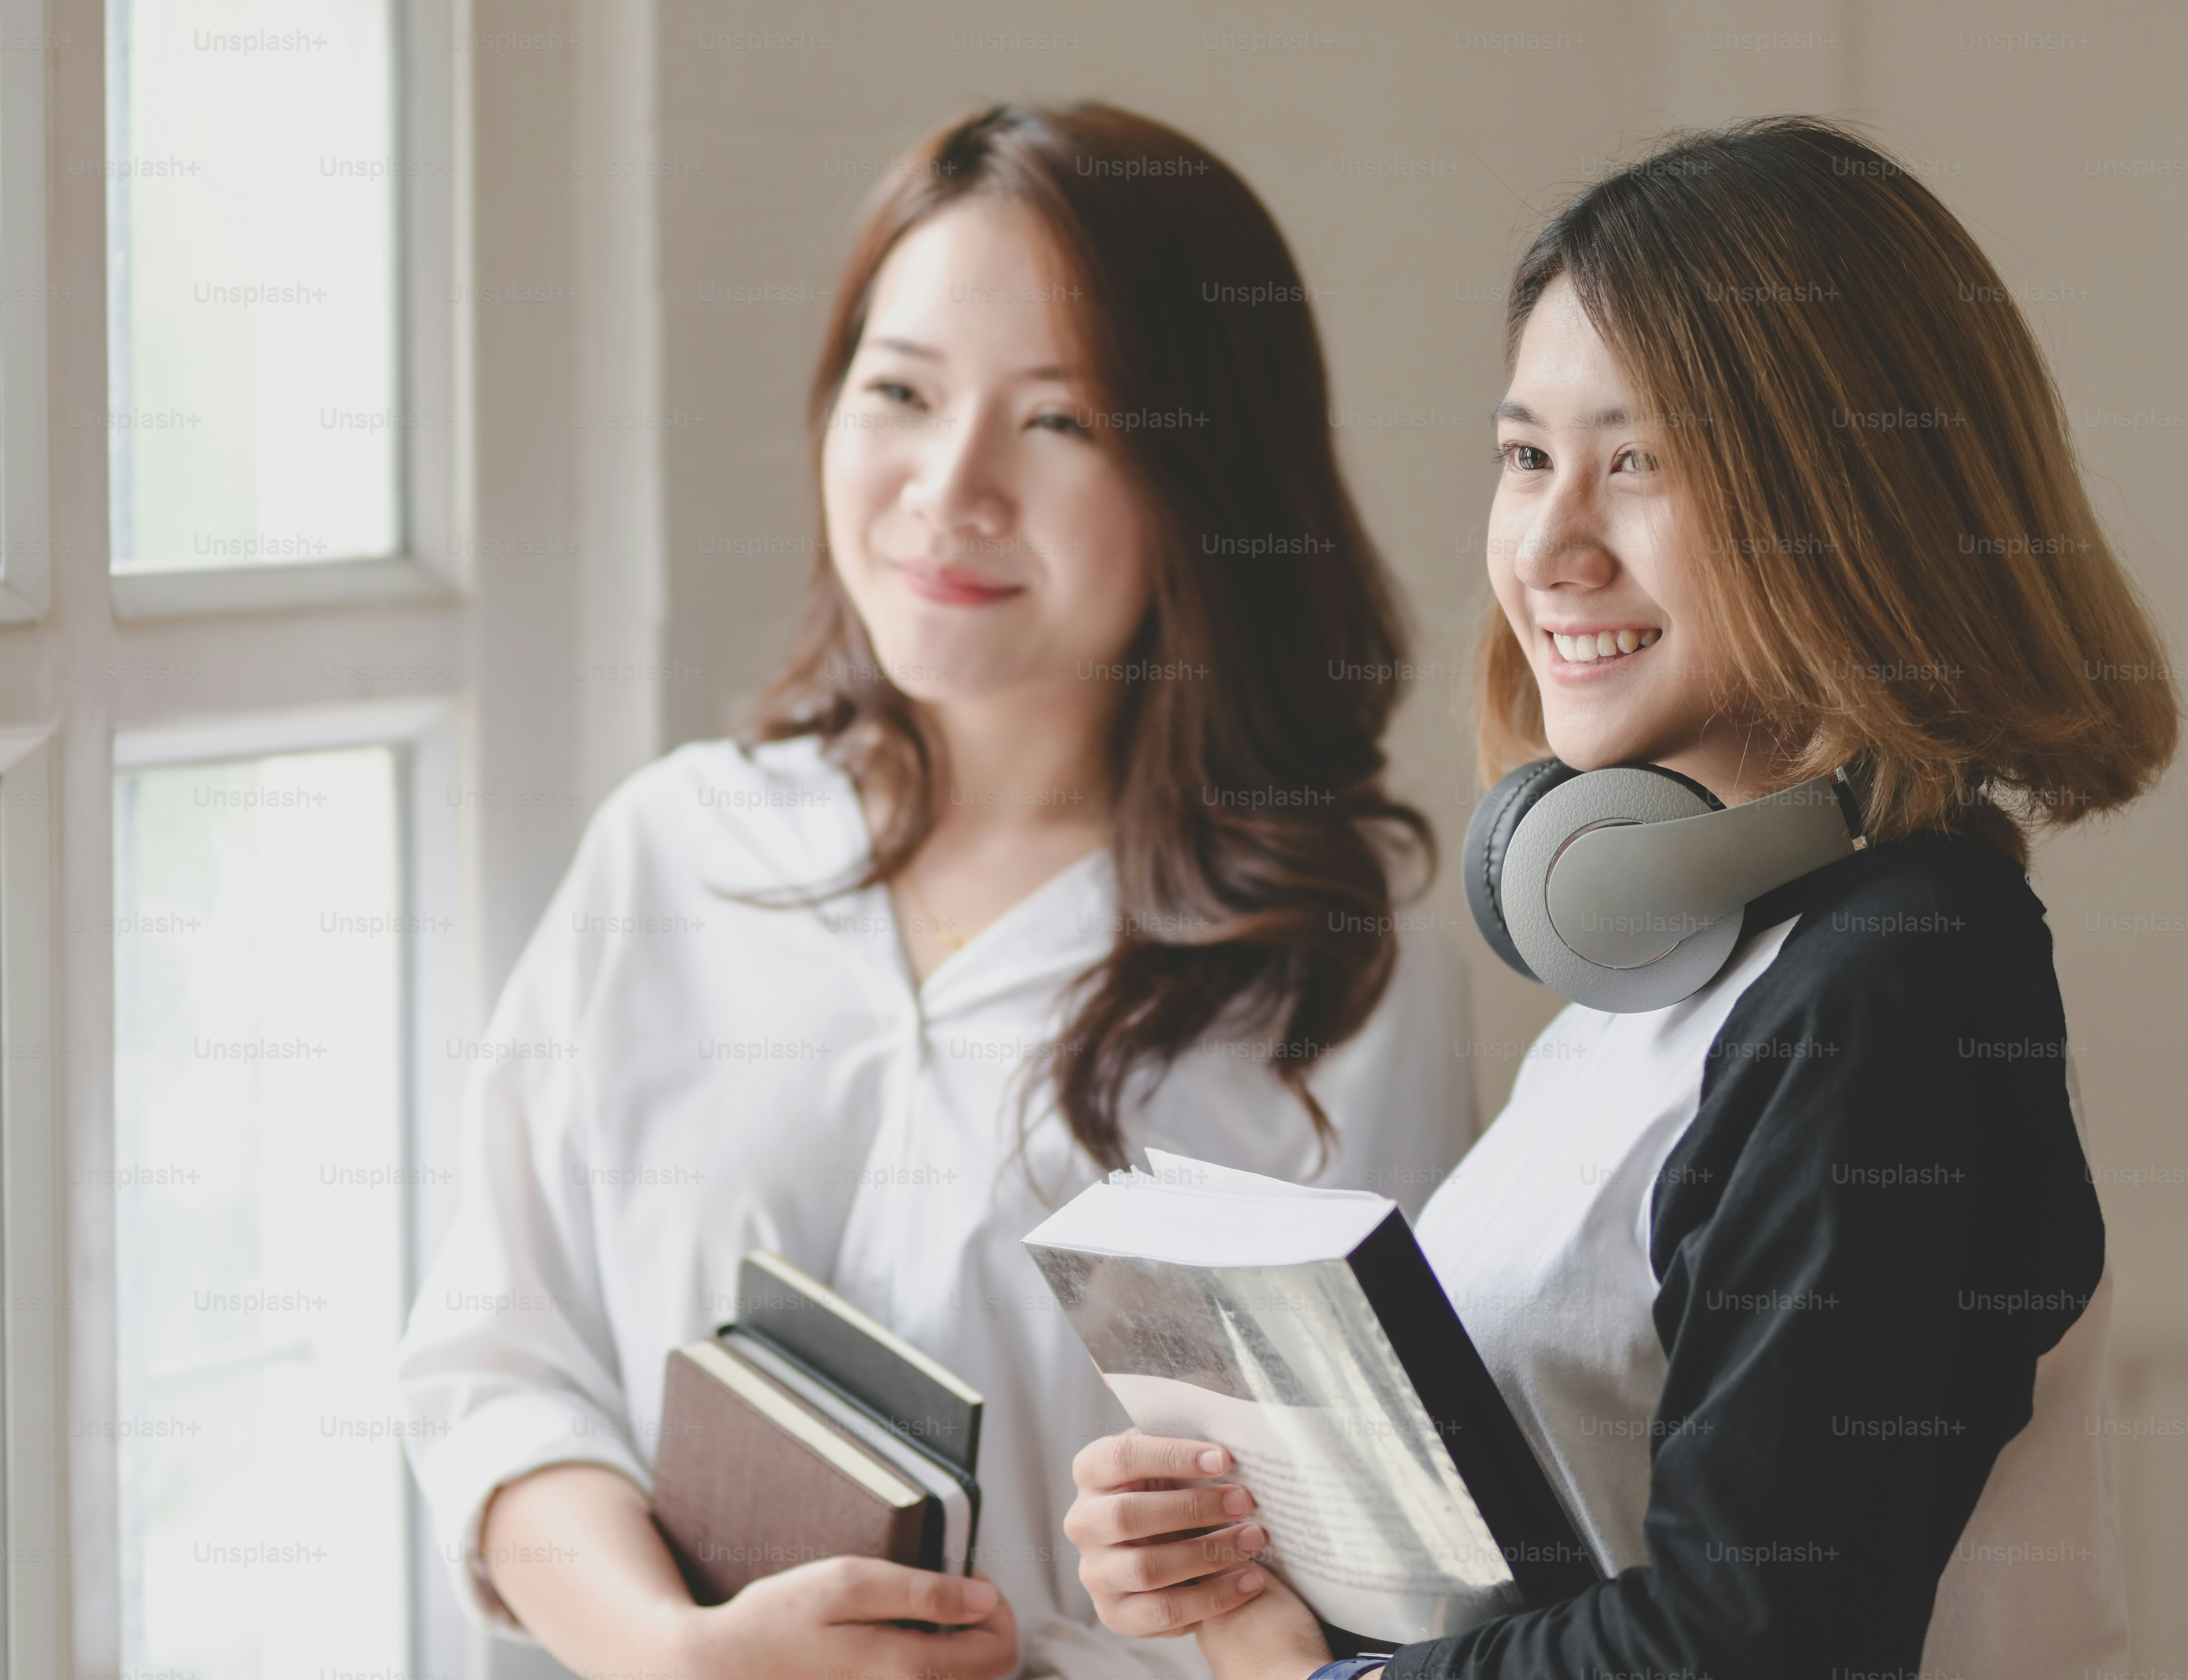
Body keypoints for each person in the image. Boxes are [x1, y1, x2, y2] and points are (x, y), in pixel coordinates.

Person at [1062, 117, 2181, 1680]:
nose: (1550, 546)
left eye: (1641, 460)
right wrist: (1243, 1561)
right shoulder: (1669, 968)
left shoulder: (1904, 984)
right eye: (1528, 456)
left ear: (1849, 504)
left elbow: (1749, 1640)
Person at [398, 103, 1474, 1680]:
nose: (950, 487)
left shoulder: (1336, 970)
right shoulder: (677, 850)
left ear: (1203, 475)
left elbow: (1387, 1600)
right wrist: (681, 1653)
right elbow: (499, 1358)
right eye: (899, 392)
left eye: (1062, 422)